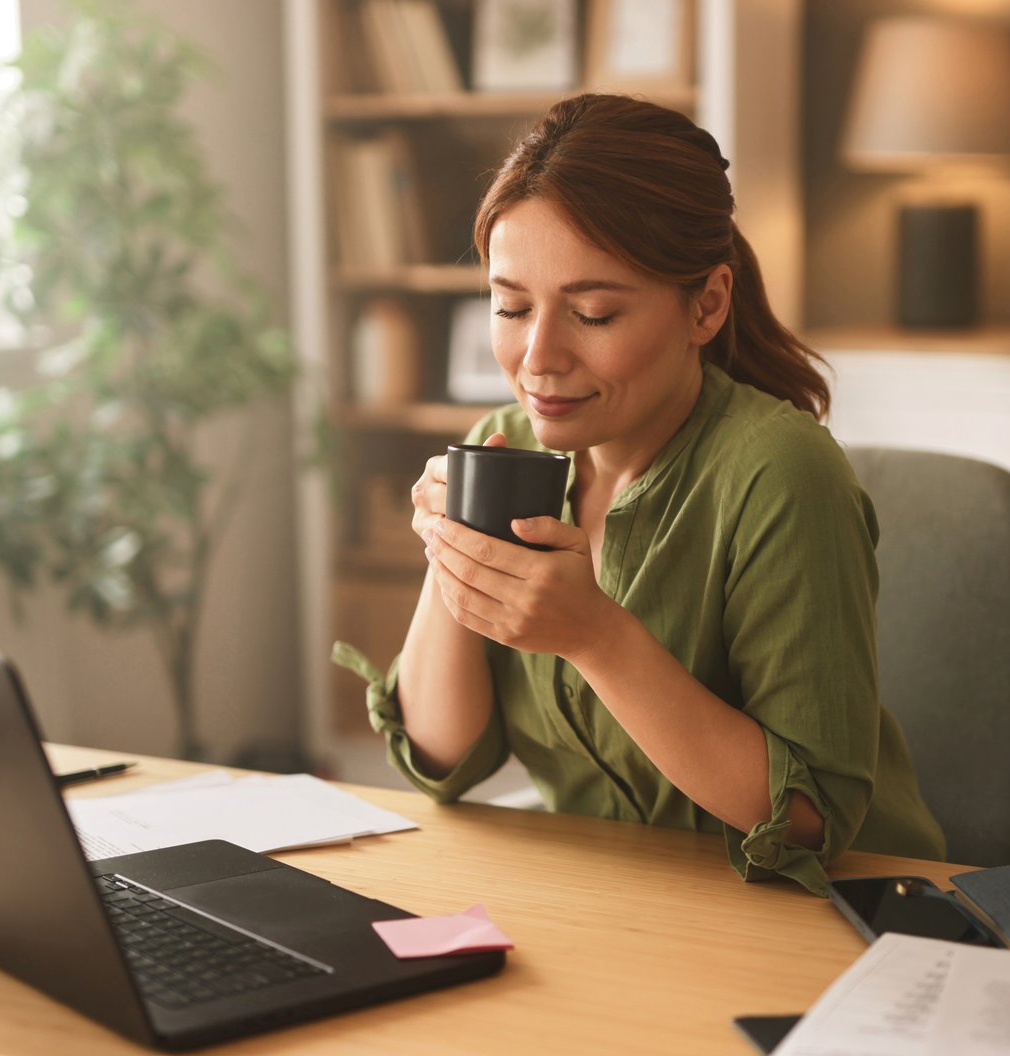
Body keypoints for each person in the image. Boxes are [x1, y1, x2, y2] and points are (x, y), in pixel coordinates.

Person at [333, 93, 942, 895]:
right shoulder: (507, 449)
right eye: (510, 306)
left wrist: (596, 637)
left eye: (591, 313)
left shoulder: (780, 475)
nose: (537, 357)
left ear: (708, 305)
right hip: (618, 905)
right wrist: (451, 559)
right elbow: (442, 761)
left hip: (826, 910)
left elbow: (809, 821)